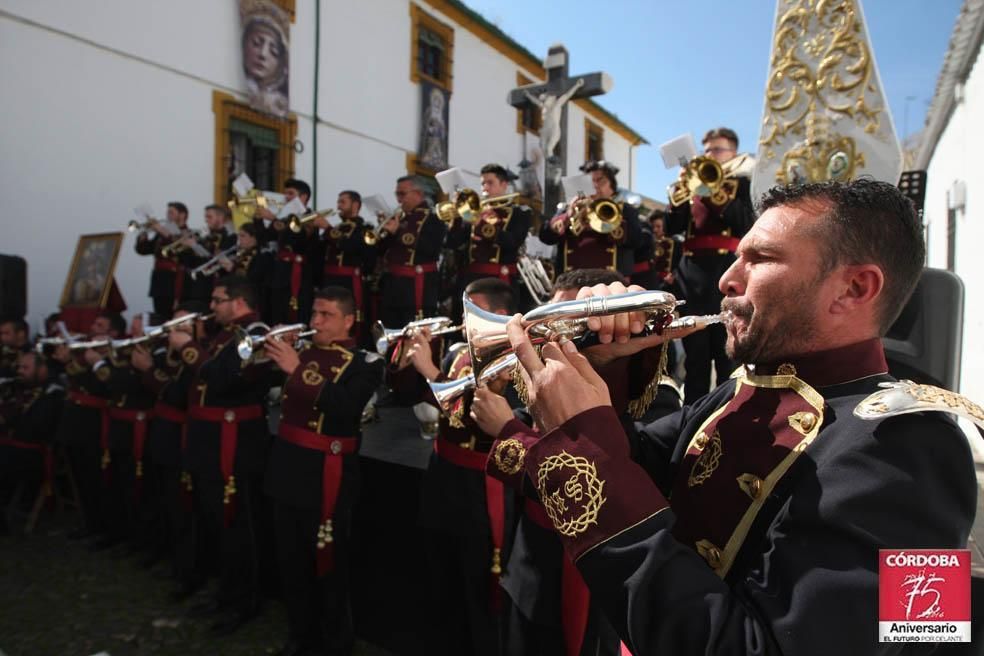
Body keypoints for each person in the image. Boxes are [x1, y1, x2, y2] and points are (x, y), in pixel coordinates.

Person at [481, 178, 976, 654]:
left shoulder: (920, 446)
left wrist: (582, 441)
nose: (726, 279)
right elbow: (641, 469)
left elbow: (902, 640)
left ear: (853, 289)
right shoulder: (744, 388)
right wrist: (601, 369)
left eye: (759, 259)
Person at [471, 268, 675, 656]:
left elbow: (609, 479)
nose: (554, 330)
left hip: (595, 572)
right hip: (528, 562)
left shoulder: (654, 392)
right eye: (552, 316)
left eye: (570, 319)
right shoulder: (535, 377)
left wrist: (510, 431)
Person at [263, 286, 384, 656]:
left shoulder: (367, 363)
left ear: (349, 320)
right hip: (286, 468)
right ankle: (301, 637)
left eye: (326, 315)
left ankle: (335, 642)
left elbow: (346, 406)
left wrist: (296, 370)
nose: (314, 322)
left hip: (326, 476)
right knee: (292, 563)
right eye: (314, 314)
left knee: (330, 566)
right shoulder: (300, 350)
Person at [404, 278, 520, 656]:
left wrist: (430, 371)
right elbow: (417, 398)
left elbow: (476, 417)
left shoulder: (515, 359)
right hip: (443, 476)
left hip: (479, 486)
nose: (461, 318)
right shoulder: (459, 352)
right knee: (441, 573)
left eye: (471, 310)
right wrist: (412, 359)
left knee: (477, 582)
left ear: (497, 316)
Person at [179, 275, 274, 635]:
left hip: (236, 442)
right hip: (211, 438)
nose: (213, 307)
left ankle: (244, 601)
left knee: (239, 526)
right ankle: (225, 592)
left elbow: (223, 379)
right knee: (218, 520)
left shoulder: (254, 332)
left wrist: (189, 348)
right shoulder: (224, 334)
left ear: (238, 302)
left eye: (218, 300)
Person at [666, 127, 756, 404]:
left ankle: (727, 411)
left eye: (717, 149)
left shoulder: (741, 182)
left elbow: (745, 223)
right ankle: (692, 412)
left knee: (725, 350)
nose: (710, 155)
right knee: (695, 353)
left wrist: (713, 192)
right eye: (707, 150)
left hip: (725, 269)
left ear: (733, 153)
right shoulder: (691, 186)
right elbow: (672, 228)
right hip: (691, 273)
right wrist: (678, 195)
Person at [444, 164, 532, 319]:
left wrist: (480, 224)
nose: (485, 187)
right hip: (470, 279)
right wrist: (458, 217)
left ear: (504, 184)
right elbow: (452, 243)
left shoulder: (520, 212)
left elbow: (512, 242)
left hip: (498, 283)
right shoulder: (475, 211)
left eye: (490, 182)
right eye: (482, 183)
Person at [539, 160, 643, 279]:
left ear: (612, 186)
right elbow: (545, 236)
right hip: (572, 282)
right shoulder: (568, 209)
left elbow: (637, 240)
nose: (595, 185)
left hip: (612, 283)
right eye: (590, 181)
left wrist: (609, 223)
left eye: (601, 180)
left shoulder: (625, 210)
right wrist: (567, 217)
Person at [0, 351, 64, 535]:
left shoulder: (53, 393)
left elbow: (37, 428)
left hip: (33, 453)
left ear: (42, 369)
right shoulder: (17, 387)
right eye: (19, 367)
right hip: (11, 446)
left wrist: (7, 418)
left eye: (25, 367)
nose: (20, 371)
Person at [374, 175, 447, 328]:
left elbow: (431, 249)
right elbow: (382, 251)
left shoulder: (434, 217)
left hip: (415, 286)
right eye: (397, 194)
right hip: (392, 285)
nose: (399, 200)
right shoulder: (400, 217)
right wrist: (384, 232)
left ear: (418, 193)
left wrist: (398, 231)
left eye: (402, 194)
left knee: (413, 330)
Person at [312, 190, 375, 340]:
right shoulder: (337, 228)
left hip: (349, 283)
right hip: (329, 280)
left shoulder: (365, 229)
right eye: (338, 202)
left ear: (355, 205)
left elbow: (351, 247)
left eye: (343, 202)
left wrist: (327, 230)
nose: (338, 206)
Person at [134, 202, 190, 317]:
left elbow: (179, 249)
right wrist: (142, 236)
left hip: (174, 281)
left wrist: (162, 231)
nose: (168, 215)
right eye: (167, 212)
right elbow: (144, 250)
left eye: (171, 212)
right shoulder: (161, 234)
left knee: (171, 315)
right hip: (159, 281)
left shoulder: (186, 233)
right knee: (159, 314)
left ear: (182, 215)